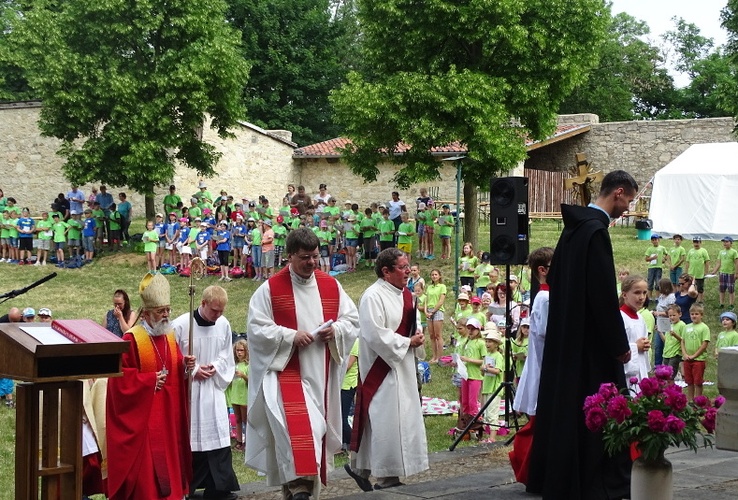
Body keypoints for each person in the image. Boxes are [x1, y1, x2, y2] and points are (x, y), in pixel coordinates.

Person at [528, 170, 638, 500]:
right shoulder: (595, 232)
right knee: (602, 407)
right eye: (629, 200)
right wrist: (618, 345)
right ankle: (600, 481)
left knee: (567, 408)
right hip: (591, 348)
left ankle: (561, 479)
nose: (628, 208)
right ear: (618, 192)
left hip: (568, 340)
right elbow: (603, 295)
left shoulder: (573, 229)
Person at [246, 228, 359, 500]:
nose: (311, 263)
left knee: (315, 429)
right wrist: (289, 336)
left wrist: (338, 331)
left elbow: (351, 319)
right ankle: (300, 486)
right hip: (287, 372)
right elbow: (256, 328)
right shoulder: (270, 289)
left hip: (321, 373)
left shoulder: (331, 285)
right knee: (303, 428)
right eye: (304, 257)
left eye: (315, 256)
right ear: (289, 257)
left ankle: (297, 488)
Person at [106, 272, 196, 500]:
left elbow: (173, 368)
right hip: (146, 418)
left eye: (167, 309)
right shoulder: (132, 338)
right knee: (150, 479)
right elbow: (119, 379)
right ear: (145, 314)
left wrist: (185, 366)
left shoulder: (169, 336)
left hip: (170, 416)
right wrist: (147, 382)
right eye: (160, 311)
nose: (165, 315)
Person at [345, 247, 428, 492]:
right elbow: (374, 334)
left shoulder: (409, 296)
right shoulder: (373, 296)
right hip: (381, 371)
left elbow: (414, 324)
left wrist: (418, 336)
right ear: (386, 271)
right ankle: (386, 479)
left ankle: (364, 469)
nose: (408, 271)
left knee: (400, 420)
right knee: (384, 422)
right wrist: (406, 342)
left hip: (402, 368)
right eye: (402, 267)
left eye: (408, 266)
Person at [173, 285, 240, 500]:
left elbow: (225, 355)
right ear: (202, 304)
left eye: (221, 311)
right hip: (191, 392)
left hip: (213, 390)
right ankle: (187, 488)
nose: (218, 315)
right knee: (192, 439)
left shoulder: (224, 324)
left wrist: (216, 367)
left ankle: (219, 487)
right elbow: (173, 357)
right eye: (214, 311)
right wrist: (191, 370)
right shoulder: (182, 325)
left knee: (218, 439)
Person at [509, 246, 553, 485]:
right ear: (543, 270)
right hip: (544, 366)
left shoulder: (546, 296)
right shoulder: (545, 298)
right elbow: (548, 332)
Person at [619, 275, 651, 391]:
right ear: (625, 294)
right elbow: (617, 347)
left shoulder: (640, 318)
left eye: (644, 293)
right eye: (637, 293)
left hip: (640, 369)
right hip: (627, 375)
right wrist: (636, 347)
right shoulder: (620, 318)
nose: (642, 297)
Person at [681, 303, 710, 401]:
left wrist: (694, 355)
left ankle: (698, 400)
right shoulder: (686, 327)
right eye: (692, 314)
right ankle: (690, 400)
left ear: (701, 315)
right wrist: (685, 354)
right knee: (689, 381)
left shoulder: (704, 328)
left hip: (698, 359)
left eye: (696, 314)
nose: (694, 316)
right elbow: (682, 341)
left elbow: (704, 343)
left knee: (698, 381)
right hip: (687, 358)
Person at [227, 339, 249, 452]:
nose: (239, 353)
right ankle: (239, 441)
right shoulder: (234, 365)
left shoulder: (248, 366)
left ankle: (247, 442)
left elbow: (251, 382)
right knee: (238, 419)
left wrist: (243, 376)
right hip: (235, 396)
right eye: (237, 350)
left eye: (241, 350)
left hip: (244, 397)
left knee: (245, 420)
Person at [425, 269, 447, 363]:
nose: (434, 276)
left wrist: (433, 311)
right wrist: (426, 311)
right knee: (431, 335)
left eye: (436, 274)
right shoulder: (429, 287)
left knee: (438, 335)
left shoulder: (442, 286)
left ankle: (439, 357)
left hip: (437, 310)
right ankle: (434, 356)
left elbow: (441, 301)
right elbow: (426, 299)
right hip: (429, 310)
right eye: (432, 274)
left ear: (439, 276)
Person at [712, 236, 738, 309]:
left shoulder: (734, 252)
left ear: (731, 243)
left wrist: (736, 273)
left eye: (727, 242)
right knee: (722, 289)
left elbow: (736, 263)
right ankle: (721, 303)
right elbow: (718, 263)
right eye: (724, 242)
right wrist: (714, 271)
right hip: (722, 273)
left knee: (731, 289)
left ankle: (731, 304)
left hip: (730, 273)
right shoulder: (721, 252)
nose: (725, 243)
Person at [684, 237, 710, 303]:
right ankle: (691, 300)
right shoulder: (690, 251)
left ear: (700, 243)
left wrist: (706, 271)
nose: (696, 244)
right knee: (691, 287)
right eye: (695, 242)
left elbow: (707, 261)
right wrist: (686, 271)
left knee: (700, 288)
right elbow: (687, 262)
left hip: (700, 273)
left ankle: (700, 300)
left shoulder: (703, 251)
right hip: (691, 273)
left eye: (697, 242)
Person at [644, 234, 667, 299]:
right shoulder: (649, 249)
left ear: (659, 240)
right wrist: (652, 258)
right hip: (651, 267)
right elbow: (646, 259)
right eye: (653, 240)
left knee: (658, 282)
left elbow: (667, 254)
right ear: (651, 241)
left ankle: (657, 297)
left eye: (656, 240)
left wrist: (664, 259)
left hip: (658, 267)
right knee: (650, 282)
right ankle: (649, 297)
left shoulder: (662, 248)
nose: (655, 241)